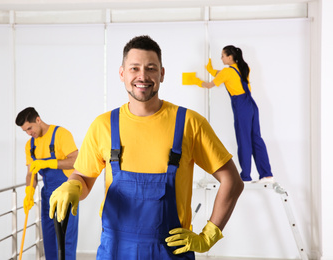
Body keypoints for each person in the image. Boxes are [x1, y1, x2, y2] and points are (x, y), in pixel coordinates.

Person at [49, 36, 244, 260]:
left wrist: (208, 236)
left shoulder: (189, 123)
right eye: (134, 68)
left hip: (171, 252)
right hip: (115, 251)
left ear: (162, 73)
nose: (143, 76)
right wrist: (72, 185)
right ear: (122, 73)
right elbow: (83, 177)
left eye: (151, 68)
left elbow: (232, 181)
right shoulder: (103, 125)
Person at [184, 45, 274, 183]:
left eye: (222, 56)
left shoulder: (227, 72)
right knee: (256, 139)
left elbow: (210, 85)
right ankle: (267, 175)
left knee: (244, 140)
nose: (221, 58)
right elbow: (223, 75)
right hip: (252, 106)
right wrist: (211, 70)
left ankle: (246, 176)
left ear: (230, 57)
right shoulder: (244, 67)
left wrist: (196, 81)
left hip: (241, 107)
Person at [15, 107, 79, 260]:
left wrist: (50, 163)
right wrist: (29, 191)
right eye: (25, 131)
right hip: (48, 195)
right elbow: (31, 173)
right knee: (49, 239)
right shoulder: (30, 146)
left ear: (38, 119)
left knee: (65, 239)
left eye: (30, 128)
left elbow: (75, 161)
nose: (29, 133)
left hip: (67, 192)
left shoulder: (61, 134)